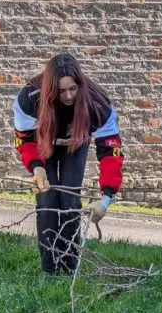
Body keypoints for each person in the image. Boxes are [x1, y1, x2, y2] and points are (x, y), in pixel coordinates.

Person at [12, 53, 124, 274]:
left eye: (73, 88)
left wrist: (106, 198)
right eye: (61, 91)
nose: (68, 96)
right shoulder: (30, 98)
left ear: (79, 84)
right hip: (44, 143)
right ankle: (50, 270)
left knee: (70, 200)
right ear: (50, 89)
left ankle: (69, 266)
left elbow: (111, 153)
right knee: (47, 201)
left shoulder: (98, 104)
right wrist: (37, 167)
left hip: (76, 143)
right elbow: (24, 139)